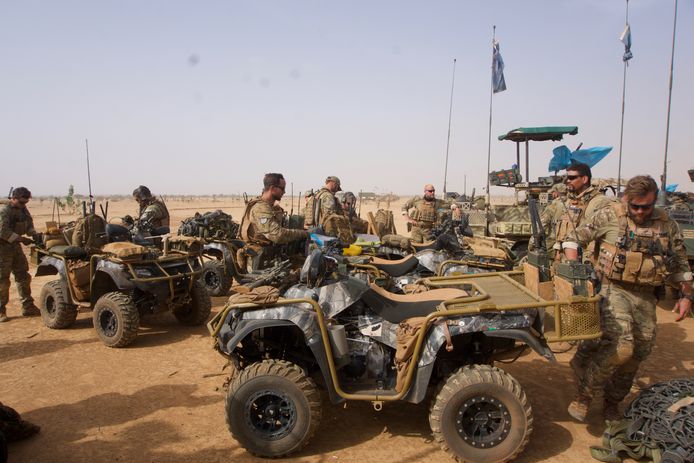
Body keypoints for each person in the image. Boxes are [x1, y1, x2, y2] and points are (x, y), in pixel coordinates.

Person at [563, 175, 693, 422]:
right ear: (626, 199)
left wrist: (686, 294)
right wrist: (575, 270)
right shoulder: (610, 216)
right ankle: (584, 396)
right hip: (613, 289)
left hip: (646, 295)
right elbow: (573, 239)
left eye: (647, 206)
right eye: (635, 207)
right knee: (622, 346)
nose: (641, 212)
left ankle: (613, 401)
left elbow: (679, 260)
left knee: (638, 353)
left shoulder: (666, 223)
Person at [543, 162, 613, 260]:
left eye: (572, 178)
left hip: (584, 264)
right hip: (564, 263)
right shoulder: (569, 201)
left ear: (584, 179)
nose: (567, 181)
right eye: (567, 178)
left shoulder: (599, 202)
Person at [239, 173, 309, 270]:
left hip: (274, 252)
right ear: (272, 188)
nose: (284, 192)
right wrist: (303, 234)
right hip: (261, 256)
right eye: (282, 188)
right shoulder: (260, 208)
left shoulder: (272, 207)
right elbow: (277, 235)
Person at [0, 187, 40, 322]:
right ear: (13, 198)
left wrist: (35, 235)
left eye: (26, 202)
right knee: (3, 280)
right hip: (2, 248)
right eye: (21, 202)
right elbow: (3, 232)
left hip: (15, 247)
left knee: (23, 276)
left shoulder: (23, 210)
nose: (24, 205)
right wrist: (22, 239)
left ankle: (28, 307)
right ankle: (1, 311)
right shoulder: (4, 211)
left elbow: (29, 225)